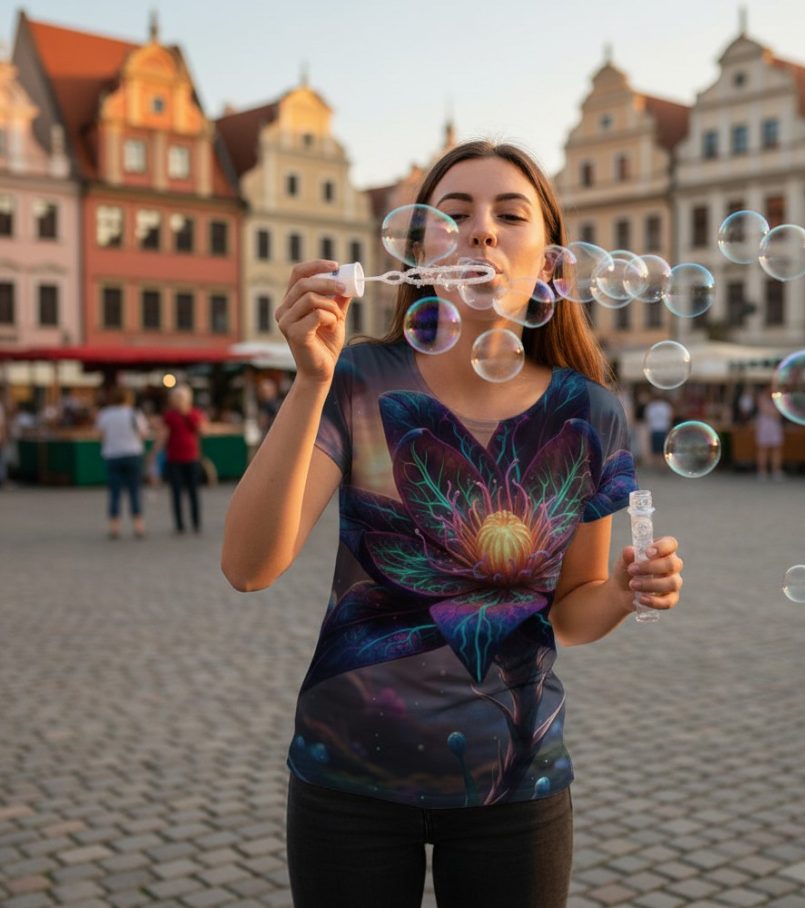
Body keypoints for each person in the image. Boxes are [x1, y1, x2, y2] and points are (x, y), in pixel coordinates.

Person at [221, 141, 684, 908]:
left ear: (548, 263)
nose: (480, 232)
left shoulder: (589, 411)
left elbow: (572, 610)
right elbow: (248, 566)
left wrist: (628, 593)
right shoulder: (361, 378)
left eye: (510, 214)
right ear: (418, 253)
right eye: (454, 214)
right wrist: (310, 380)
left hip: (516, 778)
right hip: (348, 776)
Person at [95, 386, 148, 538]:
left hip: (112, 455)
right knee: (134, 491)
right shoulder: (134, 414)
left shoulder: (105, 414)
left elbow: (101, 435)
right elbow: (143, 434)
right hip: (132, 453)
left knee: (114, 492)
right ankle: (138, 525)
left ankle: (114, 526)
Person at [152, 384, 206, 534]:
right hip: (174, 458)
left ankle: (196, 522)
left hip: (191, 457)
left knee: (194, 492)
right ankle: (179, 524)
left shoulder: (194, 414)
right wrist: (155, 453)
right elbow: (163, 435)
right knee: (176, 493)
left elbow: (201, 430)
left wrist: (188, 415)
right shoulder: (169, 415)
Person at [754, 388, 784, 480]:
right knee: (763, 448)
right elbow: (768, 410)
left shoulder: (778, 397)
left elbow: (779, 412)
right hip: (765, 426)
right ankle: (762, 471)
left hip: (774, 426)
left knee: (776, 449)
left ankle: (776, 471)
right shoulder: (762, 397)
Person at [643, 393, 673, 468]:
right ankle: (662, 465)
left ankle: (659, 465)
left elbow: (647, 419)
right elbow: (670, 417)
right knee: (663, 449)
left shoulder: (651, 406)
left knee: (656, 450)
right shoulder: (666, 405)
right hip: (663, 430)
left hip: (654, 430)